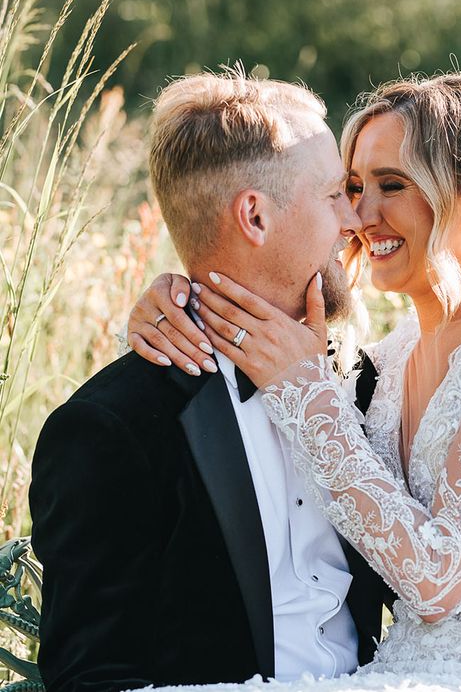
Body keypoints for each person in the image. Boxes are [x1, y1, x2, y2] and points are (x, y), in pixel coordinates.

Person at [126, 72, 461, 690]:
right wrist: (176, 300)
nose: (357, 215)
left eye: (391, 186)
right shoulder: (386, 359)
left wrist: (306, 398)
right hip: (412, 669)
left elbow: (440, 580)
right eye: (350, 188)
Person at [29, 73, 396, 692]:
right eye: (335, 194)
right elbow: (92, 675)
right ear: (254, 215)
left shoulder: (367, 387)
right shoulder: (109, 430)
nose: (354, 219)